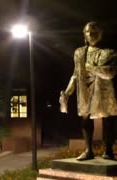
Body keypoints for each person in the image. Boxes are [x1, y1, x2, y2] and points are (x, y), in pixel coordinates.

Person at [59, 21, 117, 161]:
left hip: (103, 91)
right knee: (85, 118)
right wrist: (67, 92)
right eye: (87, 32)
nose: (90, 34)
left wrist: (92, 68)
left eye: (94, 31)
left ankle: (108, 149)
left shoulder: (109, 52)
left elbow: (110, 73)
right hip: (84, 90)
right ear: (84, 35)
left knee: (108, 117)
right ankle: (88, 150)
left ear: (101, 34)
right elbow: (75, 74)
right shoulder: (79, 52)